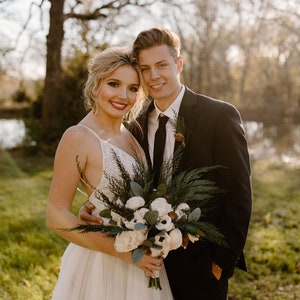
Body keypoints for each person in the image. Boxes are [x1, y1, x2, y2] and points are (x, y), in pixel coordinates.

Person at [80, 28, 252, 300]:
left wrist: (221, 263)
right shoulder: (134, 126)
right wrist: (95, 206)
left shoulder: (218, 116)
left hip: (201, 267)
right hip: (145, 265)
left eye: (162, 65)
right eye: (145, 69)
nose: (154, 76)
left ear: (178, 64)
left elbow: (239, 196)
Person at [46, 46, 173, 300]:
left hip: (143, 258)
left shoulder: (131, 135)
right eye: (113, 84)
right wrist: (126, 254)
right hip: (102, 262)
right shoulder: (77, 136)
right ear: (95, 85)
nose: (123, 96)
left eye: (133, 88)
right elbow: (55, 216)